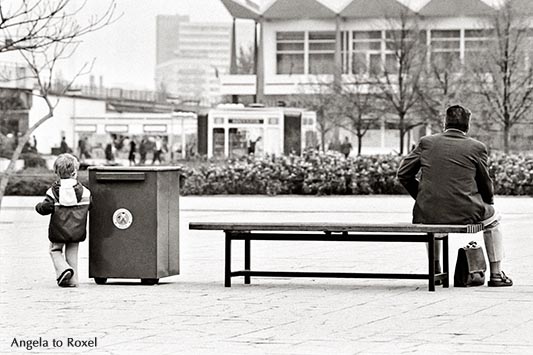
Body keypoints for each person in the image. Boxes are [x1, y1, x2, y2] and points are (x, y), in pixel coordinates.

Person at [397, 105, 512, 287]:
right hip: (466, 212)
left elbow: (403, 174)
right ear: (467, 126)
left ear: (445, 123)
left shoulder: (426, 142)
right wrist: (487, 202)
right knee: (494, 219)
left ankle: (435, 268)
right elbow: (485, 182)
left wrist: (421, 197)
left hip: (430, 210)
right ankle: (496, 275)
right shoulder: (477, 147)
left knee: (431, 221)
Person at [35, 153, 91, 287]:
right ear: (75, 172)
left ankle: (65, 270)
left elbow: (45, 208)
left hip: (58, 230)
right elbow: (91, 205)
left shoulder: (52, 192)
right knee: (72, 254)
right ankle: (73, 280)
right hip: (77, 230)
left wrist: (39, 207)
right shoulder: (85, 192)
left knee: (55, 250)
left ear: (56, 173)